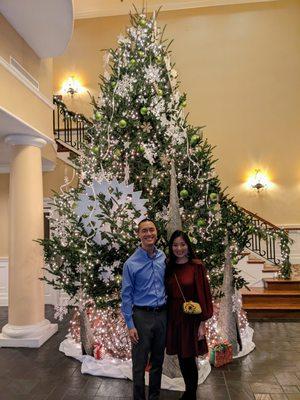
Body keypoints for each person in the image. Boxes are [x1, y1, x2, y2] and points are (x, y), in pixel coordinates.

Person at [121, 218, 167, 400]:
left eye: (151, 230)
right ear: (139, 235)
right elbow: (126, 296)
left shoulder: (163, 257)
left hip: (162, 315)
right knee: (139, 364)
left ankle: (154, 397)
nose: (149, 234)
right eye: (144, 231)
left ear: (156, 232)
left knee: (158, 361)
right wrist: (130, 324)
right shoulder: (130, 264)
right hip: (141, 317)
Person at [165, 230, 213, 400]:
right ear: (171, 247)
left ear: (188, 245)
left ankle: (191, 394)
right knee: (181, 356)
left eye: (182, 244)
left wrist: (202, 324)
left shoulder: (197, 266)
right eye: (175, 245)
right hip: (174, 317)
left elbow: (204, 295)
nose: (179, 248)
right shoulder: (168, 266)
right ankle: (189, 391)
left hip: (191, 319)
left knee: (189, 357)